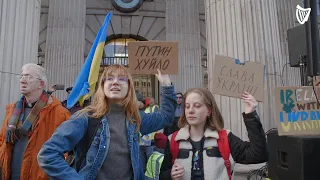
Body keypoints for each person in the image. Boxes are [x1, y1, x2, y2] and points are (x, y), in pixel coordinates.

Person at [37, 65, 177, 180]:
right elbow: (48, 154)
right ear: (102, 86)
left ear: (129, 88)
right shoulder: (85, 118)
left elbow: (166, 117)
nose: (115, 82)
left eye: (122, 79)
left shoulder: (135, 119)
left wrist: (166, 85)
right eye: (109, 78)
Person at [159, 88, 268, 180]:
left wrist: (250, 115)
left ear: (209, 111)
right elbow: (162, 175)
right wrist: (170, 175)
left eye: (197, 106)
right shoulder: (173, 140)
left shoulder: (224, 138)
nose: (190, 110)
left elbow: (259, 154)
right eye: (187, 106)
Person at [0, 63, 70, 180]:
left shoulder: (60, 113)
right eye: (21, 76)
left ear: (41, 84)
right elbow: (2, 140)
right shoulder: (11, 110)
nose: (22, 80)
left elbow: (67, 152)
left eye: (28, 77)